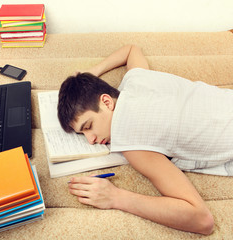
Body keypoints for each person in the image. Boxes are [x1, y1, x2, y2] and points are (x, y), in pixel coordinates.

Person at [58, 45, 233, 235]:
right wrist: (92, 73)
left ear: (107, 102)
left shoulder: (130, 138)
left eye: (88, 126)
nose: (90, 140)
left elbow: (201, 219)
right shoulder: (136, 80)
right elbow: (131, 50)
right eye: (82, 134)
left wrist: (115, 197)